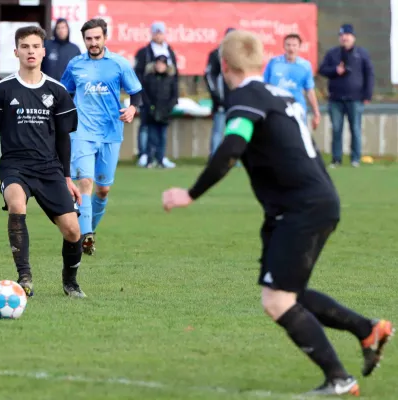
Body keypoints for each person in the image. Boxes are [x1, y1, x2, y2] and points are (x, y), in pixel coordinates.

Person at [162, 30, 393, 396]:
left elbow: (232, 146)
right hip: (311, 201)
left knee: (277, 300)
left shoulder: (245, 97)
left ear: (224, 65)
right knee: (289, 292)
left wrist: (190, 194)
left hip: (300, 207)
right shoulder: (280, 94)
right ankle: (367, 329)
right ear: (261, 62)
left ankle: (339, 378)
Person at [0, 25, 85, 299]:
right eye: (25, 46)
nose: (30, 51)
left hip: (50, 168)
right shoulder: (2, 89)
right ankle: (24, 277)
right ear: (16, 51)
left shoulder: (58, 90)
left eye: (35, 46)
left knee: (73, 231)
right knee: (16, 203)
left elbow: (64, 138)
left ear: (43, 51)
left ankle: (70, 282)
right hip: (15, 166)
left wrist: (66, 177)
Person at [60, 18, 142, 256]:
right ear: (84, 40)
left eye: (97, 38)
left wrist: (132, 109)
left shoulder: (119, 64)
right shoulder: (75, 65)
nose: (93, 43)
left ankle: (89, 230)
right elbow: (64, 93)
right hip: (82, 133)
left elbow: (137, 94)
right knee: (85, 183)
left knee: (103, 190)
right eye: (88, 39)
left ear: (105, 37)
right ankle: (84, 237)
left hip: (110, 133)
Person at [319, 24, 374, 168]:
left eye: (348, 35)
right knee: (336, 129)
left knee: (355, 129)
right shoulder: (332, 53)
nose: (345, 38)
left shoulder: (362, 53)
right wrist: (335, 71)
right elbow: (322, 70)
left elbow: (369, 74)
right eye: (342, 35)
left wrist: (367, 94)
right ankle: (336, 159)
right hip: (336, 98)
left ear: (353, 38)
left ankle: (355, 158)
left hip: (355, 99)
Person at [134, 21, 177, 168]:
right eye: (156, 32)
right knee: (146, 126)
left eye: (161, 32)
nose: (158, 35)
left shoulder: (169, 51)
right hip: (148, 96)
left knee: (161, 131)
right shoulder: (144, 52)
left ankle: (160, 156)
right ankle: (144, 155)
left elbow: (174, 75)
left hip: (164, 99)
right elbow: (138, 74)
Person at [264, 33, 321, 130]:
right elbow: (264, 86)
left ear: (299, 47)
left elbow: (310, 91)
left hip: (297, 108)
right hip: (276, 108)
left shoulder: (305, 66)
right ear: (284, 46)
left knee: (298, 138)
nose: (291, 48)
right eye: (288, 45)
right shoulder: (274, 63)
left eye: (294, 45)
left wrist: (316, 113)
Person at [141, 55, 178, 168]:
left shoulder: (170, 79)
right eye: (158, 63)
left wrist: (168, 108)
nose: (159, 66)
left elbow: (174, 96)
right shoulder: (149, 78)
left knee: (162, 138)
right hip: (151, 113)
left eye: (162, 64)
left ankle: (161, 160)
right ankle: (149, 160)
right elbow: (144, 94)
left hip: (164, 113)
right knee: (152, 138)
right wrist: (150, 107)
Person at [205, 27, 234, 158]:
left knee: (234, 132)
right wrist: (217, 97)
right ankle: (215, 157)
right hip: (221, 102)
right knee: (218, 131)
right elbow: (209, 76)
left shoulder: (240, 56)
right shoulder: (216, 54)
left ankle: (233, 157)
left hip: (236, 101)